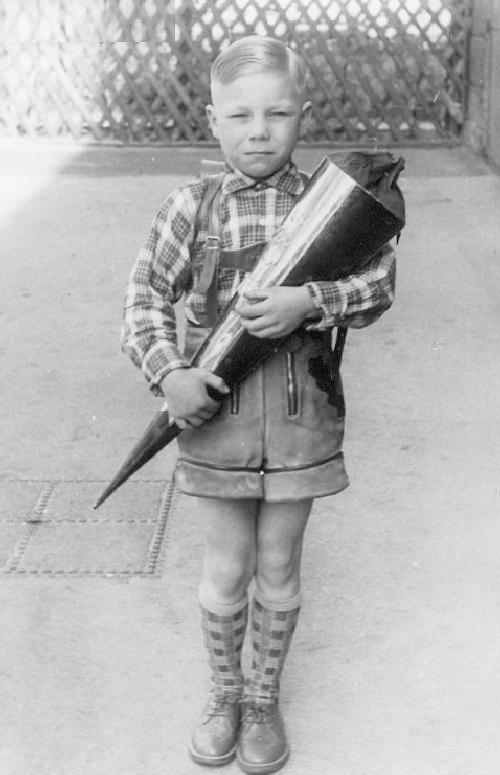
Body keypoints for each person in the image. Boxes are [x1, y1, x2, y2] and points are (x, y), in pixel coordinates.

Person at [121, 35, 396, 774]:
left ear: (303, 116)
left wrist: (313, 299)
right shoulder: (191, 207)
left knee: (279, 564)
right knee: (225, 565)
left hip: (303, 421)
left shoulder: (331, 206)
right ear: (213, 121)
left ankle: (264, 697)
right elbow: (144, 298)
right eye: (240, 115)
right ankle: (224, 694)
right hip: (217, 422)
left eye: (277, 113)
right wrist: (169, 373)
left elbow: (378, 285)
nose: (260, 130)